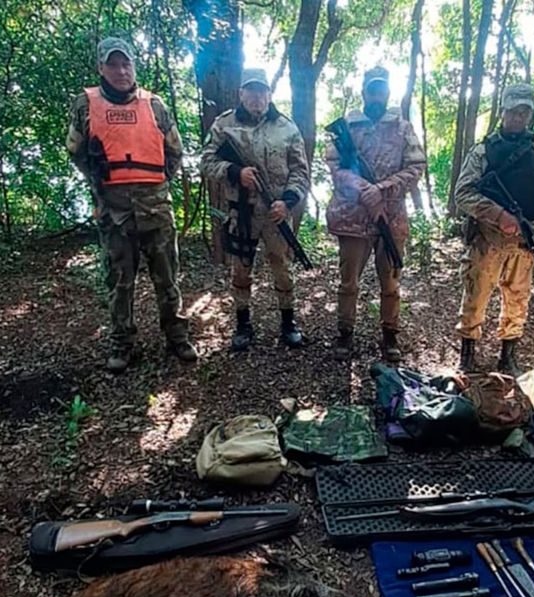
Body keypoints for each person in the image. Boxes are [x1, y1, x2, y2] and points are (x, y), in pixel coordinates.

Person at [66, 36, 196, 372]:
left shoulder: (155, 105)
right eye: (113, 64)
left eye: (126, 64)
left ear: (133, 66)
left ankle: (177, 337)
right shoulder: (85, 104)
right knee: (119, 281)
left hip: (156, 206)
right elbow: (75, 151)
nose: (121, 71)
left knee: (167, 277)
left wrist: (157, 184)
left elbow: (175, 151)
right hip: (114, 210)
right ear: (101, 68)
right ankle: (121, 343)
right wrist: (98, 181)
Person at [454, 83, 534, 377]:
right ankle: (467, 354)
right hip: (487, 239)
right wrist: (498, 215)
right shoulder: (483, 151)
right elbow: (463, 194)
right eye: (514, 111)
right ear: (503, 111)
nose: (518, 117)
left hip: (525, 242)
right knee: (476, 295)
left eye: (524, 112)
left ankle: (508, 356)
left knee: (517, 300)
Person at [200, 68, 310, 352]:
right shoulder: (224, 124)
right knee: (240, 271)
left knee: (283, 269)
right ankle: (243, 324)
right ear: (241, 93)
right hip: (242, 214)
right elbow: (206, 161)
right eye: (251, 90)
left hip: (276, 214)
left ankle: (288, 323)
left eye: (261, 91)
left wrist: (287, 201)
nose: (256, 97)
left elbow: (300, 171)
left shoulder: (287, 128)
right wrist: (235, 172)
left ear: (269, 94)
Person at [325, 66, 426, 363]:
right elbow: (335, 166)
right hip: (352, 218)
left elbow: (416, 166)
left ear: (388, 93)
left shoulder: (403, 128)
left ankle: (390, 335)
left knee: (391, 283)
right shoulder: (346, 127)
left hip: (390, 218)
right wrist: (364, 190)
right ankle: (345, 333)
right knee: (348, 283)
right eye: (372, 90)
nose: (376, 95)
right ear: (364, 92)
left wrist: (381, 190)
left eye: (381, 91)